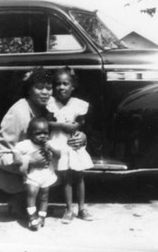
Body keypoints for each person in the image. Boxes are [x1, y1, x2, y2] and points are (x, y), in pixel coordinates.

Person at [0, 67, 86, 223]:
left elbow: (66, 129)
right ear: (29, 89)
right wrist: (30, 161)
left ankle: (35, 203)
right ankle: (19, 201)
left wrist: (82, 136)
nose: (45, 92)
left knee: (63, 166)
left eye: (48, 88)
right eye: (39, 87)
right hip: (12, 173)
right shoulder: (19, 112)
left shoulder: (47, 109)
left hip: (35, 170)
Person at [47, 67, 94, 224]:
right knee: (66, 178)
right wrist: (62, 125)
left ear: (73, 86)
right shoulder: (51, 104)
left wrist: (78, 130)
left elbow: (81, 125)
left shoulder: (78, 105)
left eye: (65, 84)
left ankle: (82, 208)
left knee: (79, 177)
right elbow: (47, 122)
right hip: (59, 144)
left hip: (73, 144)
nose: (61, 87)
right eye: (58, 84)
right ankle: (68, 209)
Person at [13, 117, 63, 230]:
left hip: (46, 174)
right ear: (30, 134)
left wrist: (51, 149)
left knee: (44, 196)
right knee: (31, 193)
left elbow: (58, 156)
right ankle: (32, 217)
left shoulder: (49, 144)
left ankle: (42, 216)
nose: (43, 136)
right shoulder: (26, 144)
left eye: (45, 133)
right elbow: (16, 156)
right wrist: (27, 159)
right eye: (38, 133)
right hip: (32, 175)